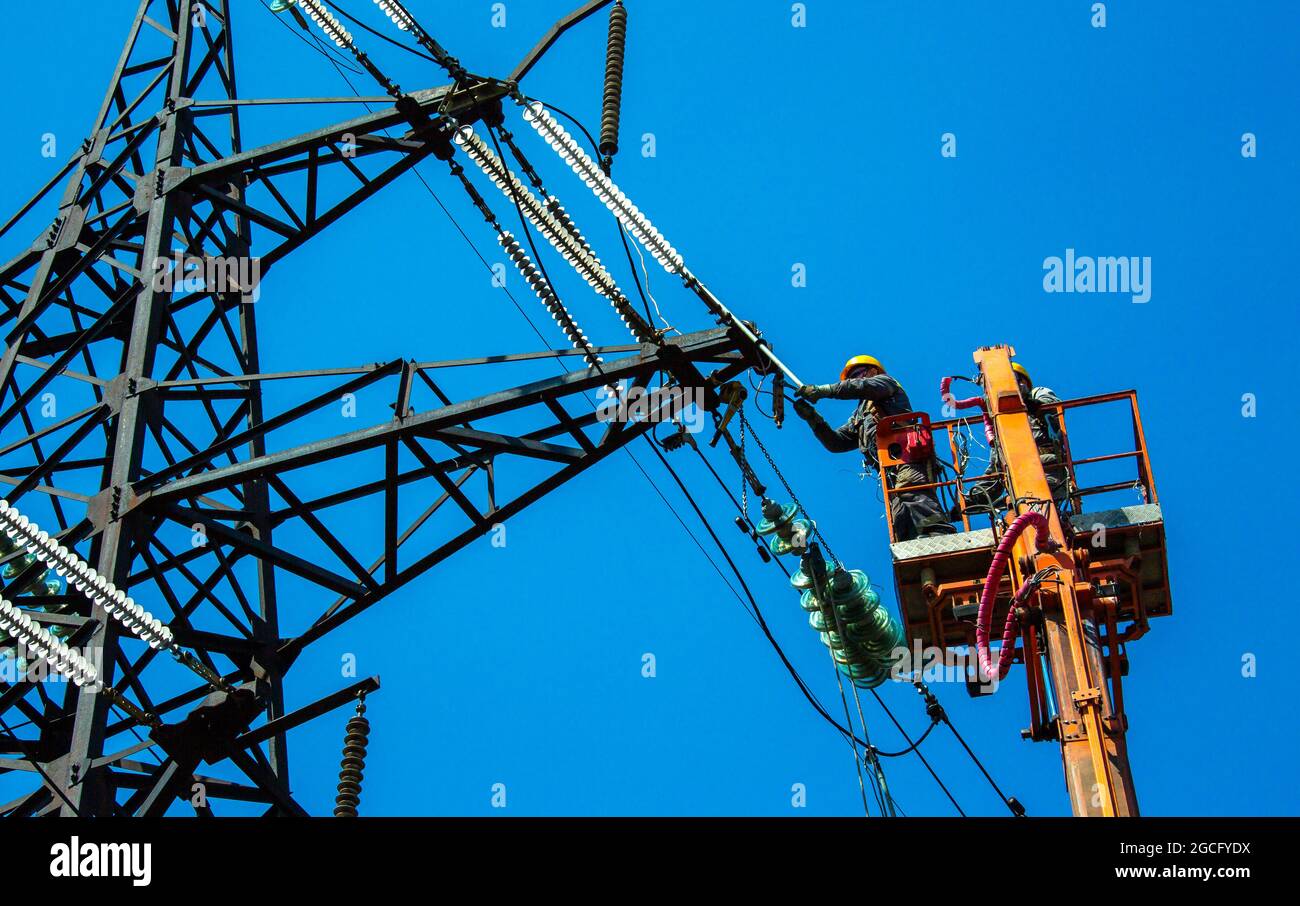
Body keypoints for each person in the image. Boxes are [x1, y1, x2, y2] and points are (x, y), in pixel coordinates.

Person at [794, 355, 954, 542]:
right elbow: (837, 442)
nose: (854, 379)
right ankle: (913, 548)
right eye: (850, 377)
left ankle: (939, 535)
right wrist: (814, 419)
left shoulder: (886, 384)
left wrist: (824, 390)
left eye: (857, 374)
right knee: (899, 515)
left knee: (913, 492)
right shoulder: (859, 416)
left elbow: (862, 387)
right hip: (891, 471)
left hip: (908, 457)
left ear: (873, 371)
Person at [961, 362, 1070, 515]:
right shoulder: (1001, 426)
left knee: (1043, 510)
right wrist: (967, 503)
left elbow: (1052, 407)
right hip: (1016, 478)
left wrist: (1031, 404)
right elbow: (995, 474)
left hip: (1046, 466)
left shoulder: (1037, 394)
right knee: (1017, 514)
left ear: (1023, 381)